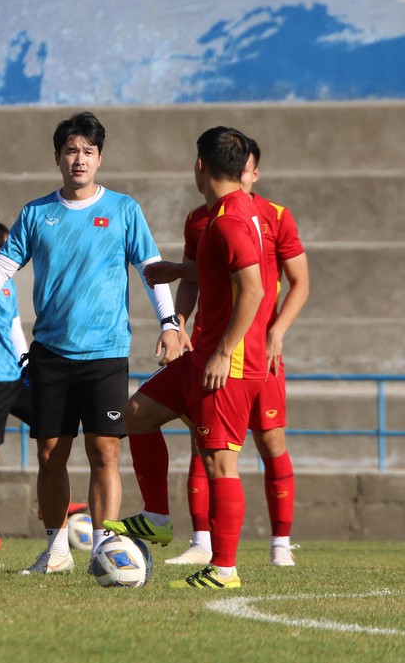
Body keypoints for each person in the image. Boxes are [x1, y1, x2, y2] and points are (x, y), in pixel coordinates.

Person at [0, 112, 182, 574]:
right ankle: (56, 549)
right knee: (50, 454)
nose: (80, 159)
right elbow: (3, 268)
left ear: (100, 158)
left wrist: (169, 322)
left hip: (107, 352)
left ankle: (105, 547)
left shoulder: (125, 210)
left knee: (105, 451)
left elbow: (151, 268)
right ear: (57, 157)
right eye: (72, 150)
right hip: (50, 352)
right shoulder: (35, 213)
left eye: (89, 151)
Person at [104, 126, 269, 590]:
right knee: (136, 413)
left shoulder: (232, 219)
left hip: (227, 362)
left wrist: (223, 352)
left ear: (200, 165)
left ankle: (224, 570)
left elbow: (253, 290)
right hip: (201, 355)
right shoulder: (218, 215)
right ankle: (157, 516)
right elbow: (220, 271)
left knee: (219, 462)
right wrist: (178, 280)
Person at [143, 138, 309, 567]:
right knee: (174, 430)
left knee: (249, 447)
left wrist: (273, 333)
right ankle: (191, 536)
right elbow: (210, 276)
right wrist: (176, 325)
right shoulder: (204, 219)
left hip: (241, 353)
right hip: (211, 348)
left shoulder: (259, 217)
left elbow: (266, 286)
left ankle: (263, 550)